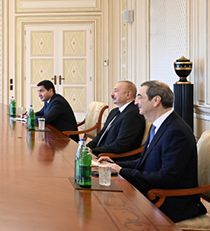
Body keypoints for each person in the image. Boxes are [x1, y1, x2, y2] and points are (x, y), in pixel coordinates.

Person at [99, 81, 206, 223]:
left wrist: (122, 171)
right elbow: (146, 161)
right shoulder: (160, 125)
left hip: (170, 201)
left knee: (109, 210)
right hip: (153, 191)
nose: (136, 102)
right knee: (105, 198)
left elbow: (166, 178)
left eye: (140, 97)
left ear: (156, 100)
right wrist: (114, 164)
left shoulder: (176, 132)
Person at [87, 81, 145, 159]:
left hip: (115, 159)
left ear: (128, 94)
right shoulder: (114, 111)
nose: (112, 94)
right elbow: (101, 135)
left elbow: (120, 145)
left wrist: (93, 151)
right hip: (102, 153)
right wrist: (86, 148)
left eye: (116, 91)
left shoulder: (133, 114)